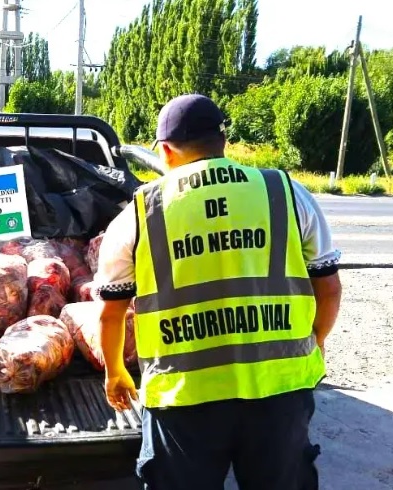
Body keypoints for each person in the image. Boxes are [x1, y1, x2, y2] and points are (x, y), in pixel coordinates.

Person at [93, 94, 343, 490]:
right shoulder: (285, 191)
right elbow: (328, 287)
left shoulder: (141, 211)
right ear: (222, 141)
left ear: (166, 150)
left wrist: (116, 372)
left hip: (184, 397)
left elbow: (110, 312)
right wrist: (317, 340)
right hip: (278, 391)